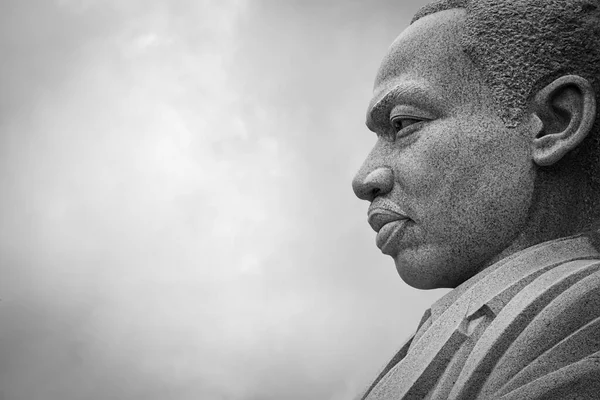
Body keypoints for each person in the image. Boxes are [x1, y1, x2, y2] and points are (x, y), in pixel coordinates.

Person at [351, 0, 600, 398]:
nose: (365, 179)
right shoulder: (465, 325)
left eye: (403, 124)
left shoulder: (583, 314)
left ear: (553, 123)